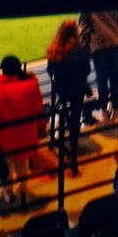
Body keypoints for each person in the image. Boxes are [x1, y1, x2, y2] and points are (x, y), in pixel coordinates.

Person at [0, 55, 47, 210]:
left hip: (6, 139)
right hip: (26, 135)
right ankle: (23, 191)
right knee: (22, 163)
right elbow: (39, 110)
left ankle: (8, 193)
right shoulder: (31, 86)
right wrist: (41, 128)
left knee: (6, 167)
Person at [45, 19, 90, 177]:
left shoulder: (54, 49)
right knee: (75, 116)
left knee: (64, 110)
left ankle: (60, 139)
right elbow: (86, 70)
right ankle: (73, 144)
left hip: (61, 88)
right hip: (76, 88)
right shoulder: (81, 49)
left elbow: (50, 70)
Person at [79, 9, 118, 123]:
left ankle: (104, 113)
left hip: (100, 45)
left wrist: (84, 48)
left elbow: (84, 28)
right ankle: (116, 112)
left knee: (102, 80)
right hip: (116, 42)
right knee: (115, 78)